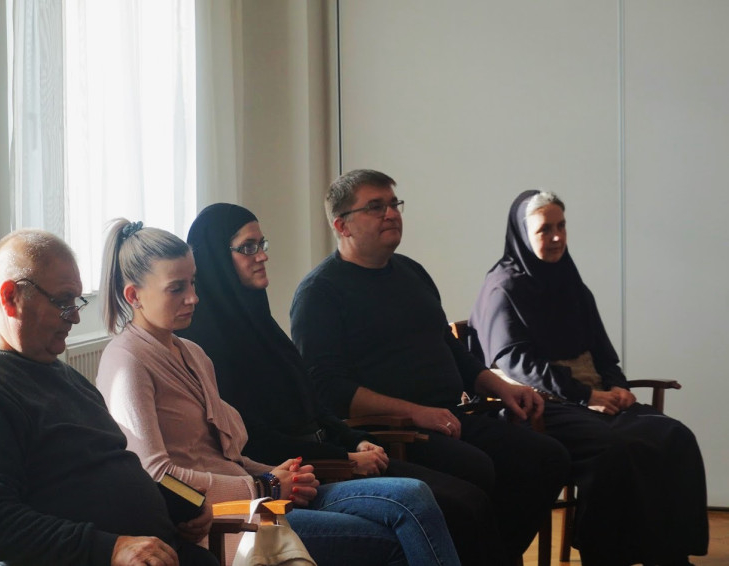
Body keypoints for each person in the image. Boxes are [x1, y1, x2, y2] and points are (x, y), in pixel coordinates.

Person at [95, 219, 461, 566]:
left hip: (260, 499)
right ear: (134, 295)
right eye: (177, 288)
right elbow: (157, 474)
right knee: (387, 540)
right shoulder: (127, 361)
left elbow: (229, 458)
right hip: (222, 520)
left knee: (415, 495)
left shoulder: (193, 353)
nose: (193, 298)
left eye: (193, 283)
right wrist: (264, 484)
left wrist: (282, 476)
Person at [179, 202, 502, 566]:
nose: (262, 256)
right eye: (248, 247)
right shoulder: (205, 345)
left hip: (330, 454)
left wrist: (356, 440)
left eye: (262, 244)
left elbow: (314, 403)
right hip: (300, 475)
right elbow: (253, 439)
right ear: (216, 258)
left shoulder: (259, 322)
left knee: (470, 498)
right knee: (453, 507)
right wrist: (345, 458)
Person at [290, 169, 571, 564]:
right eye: (376, 207)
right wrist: (417, 413)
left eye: (394, 204)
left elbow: (448, 346)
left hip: (451, 416)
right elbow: (328, 388)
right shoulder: (319, 293)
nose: (391, 213)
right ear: (342, 225)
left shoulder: (411, 272)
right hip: (390, 432)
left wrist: (501, 385)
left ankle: (493, 556)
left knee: (548, 457)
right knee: (477, 469)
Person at [0, 229, 217, 566]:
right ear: (10, 297)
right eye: (63, 302)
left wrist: (189, 502)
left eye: (76, 302)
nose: (75, 316)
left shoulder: (57, 372)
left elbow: (117, 464)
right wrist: (111, 549)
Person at [467, 190, 709, 566]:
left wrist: (618, 386)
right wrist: (586, 396)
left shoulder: (571, 283)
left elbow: (602, 352)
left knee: (674, 436)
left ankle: (669, 555)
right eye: (544, 229)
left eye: (561, 226)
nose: (557, 237)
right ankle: (606, 555)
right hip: (540, 406)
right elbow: (515, 362)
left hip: (591, 399)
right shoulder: (504, 286)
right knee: (614, 450)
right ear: (522, 233)